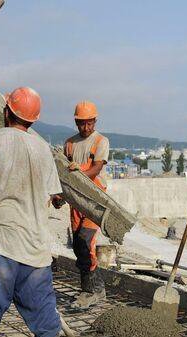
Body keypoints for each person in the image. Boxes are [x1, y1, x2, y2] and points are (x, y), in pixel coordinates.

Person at [0, 87, 62, 337]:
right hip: (36, 248)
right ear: (34, 119)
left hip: (2, 242)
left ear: (6, 111)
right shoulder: (43, 148)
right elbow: (48, 199)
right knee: (45, 318)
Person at [63, 100, 109, 309]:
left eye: (89, 123)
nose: (86, 127)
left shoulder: (100, 141)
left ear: (95, 121)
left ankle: (88, 291)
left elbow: (96, 169)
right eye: (82, 123)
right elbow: (64, 174)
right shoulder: (69, 144)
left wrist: (77, 174)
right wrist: (58, 196)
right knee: (78, 247)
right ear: (76, 122)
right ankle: (98, 289)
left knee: (85, 242)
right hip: (75, 201)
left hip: (93, 201)